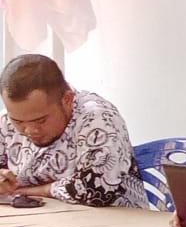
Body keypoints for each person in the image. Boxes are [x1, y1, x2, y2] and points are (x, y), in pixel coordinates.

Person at [0, 54, 148, 208]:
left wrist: (33, 191)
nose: (30, 130)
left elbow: (96, 190)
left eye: (41, 120)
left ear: (67, 100)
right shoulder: (6, 120)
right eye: (18, 121)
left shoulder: (98, 118)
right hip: (40, 217)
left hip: (111, 218)